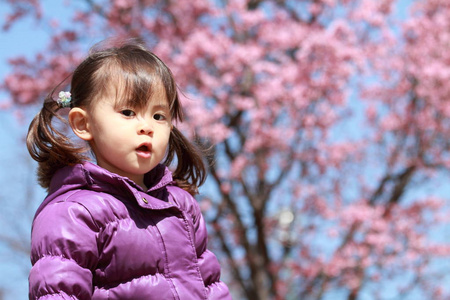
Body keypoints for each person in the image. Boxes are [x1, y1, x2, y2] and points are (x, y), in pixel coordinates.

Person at [26, 39, 231, 300]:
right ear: (83, 123)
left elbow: (211, 286)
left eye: (159, 116)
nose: (147, 126)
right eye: (128, 111)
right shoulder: (73, 212)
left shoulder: (180, 205)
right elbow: (58, 292)